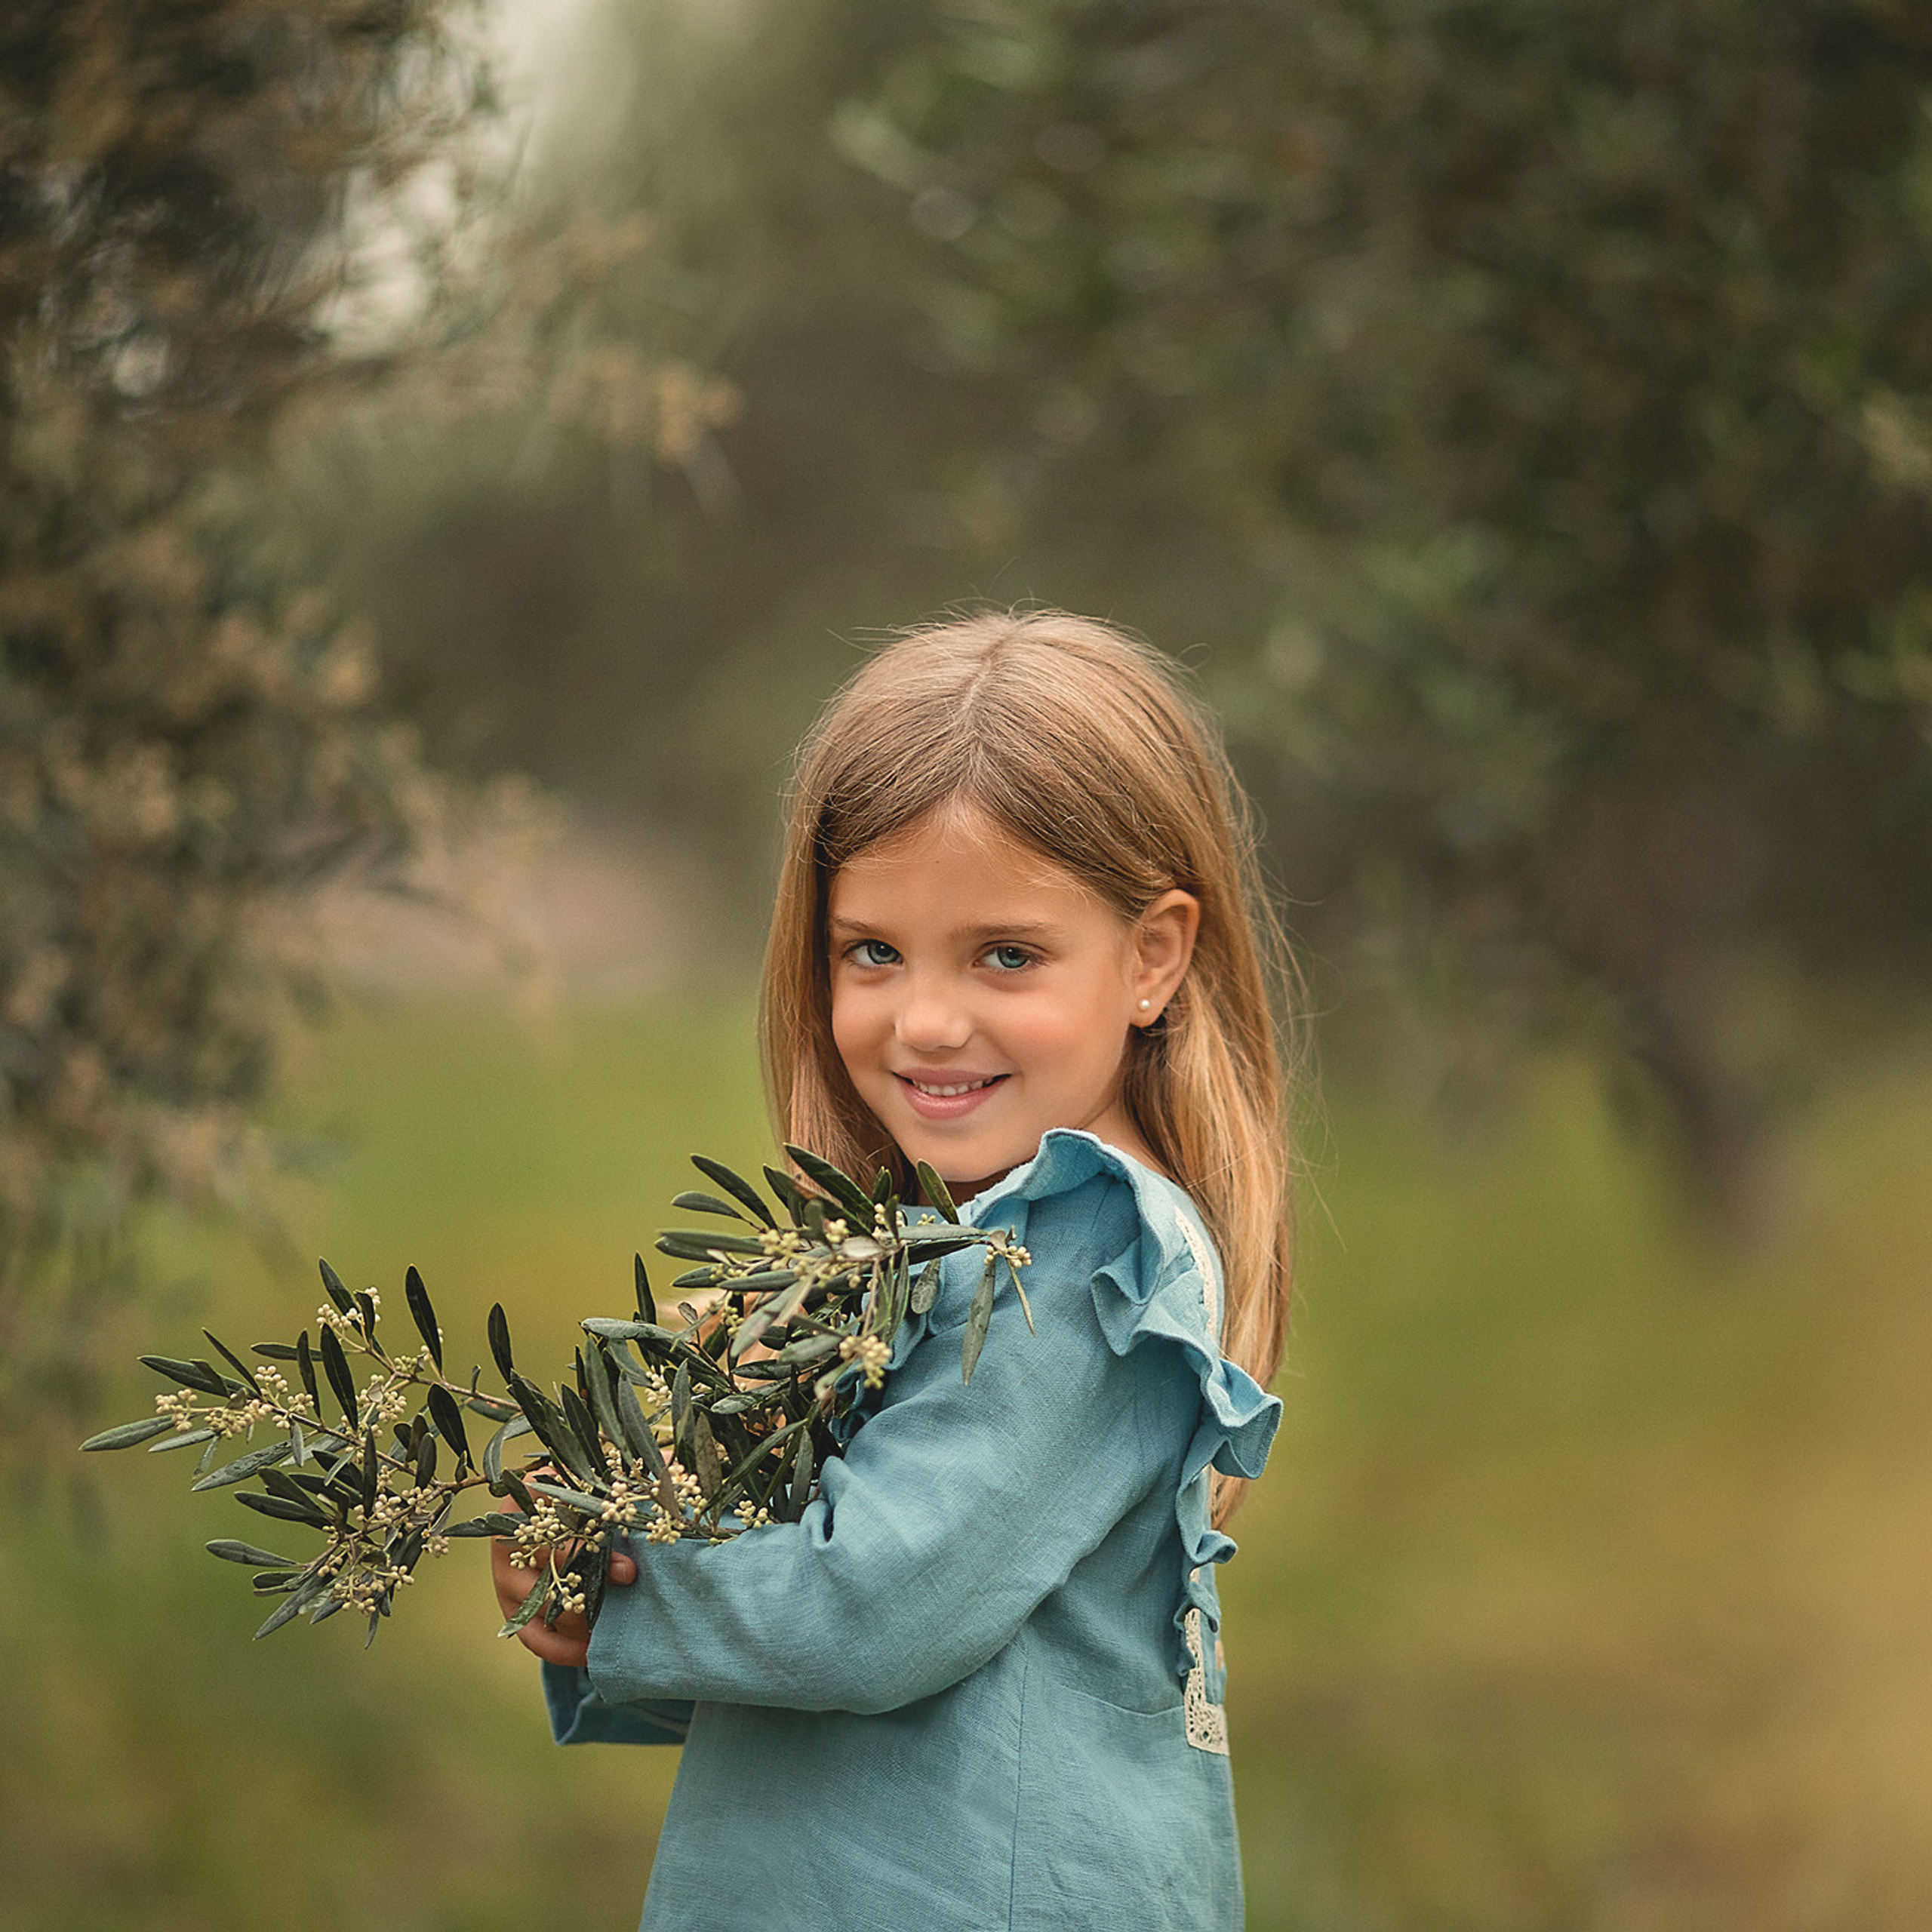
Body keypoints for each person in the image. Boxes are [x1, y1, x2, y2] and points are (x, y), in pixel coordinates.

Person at [491, 610, 1294, 1931]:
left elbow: (875, 1606)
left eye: (1007, 955)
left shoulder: (1087, 1252)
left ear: (1152, 956)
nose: (925, 1019)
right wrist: (600, 1597)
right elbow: (887, 1652)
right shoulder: (946, 1240)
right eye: (874, 950)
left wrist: (630, 1587)